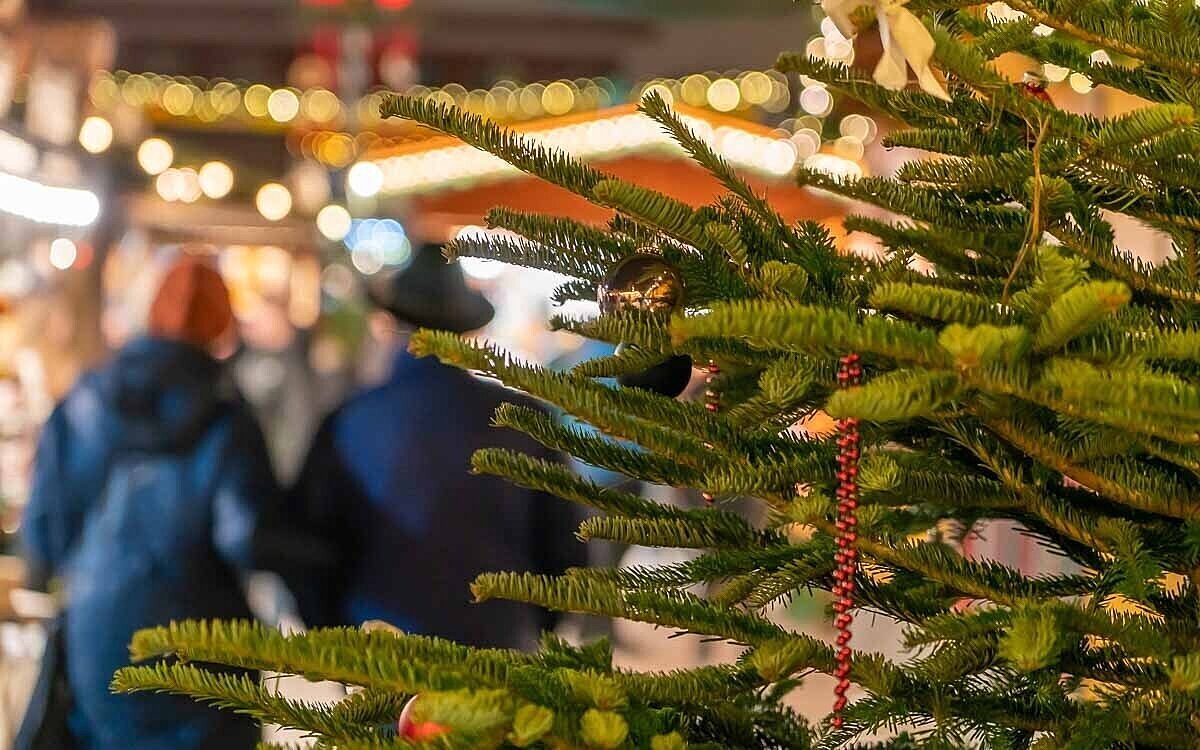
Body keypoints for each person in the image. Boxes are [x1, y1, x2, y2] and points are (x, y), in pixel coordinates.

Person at [20, 256, 275, 750]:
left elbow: (45, 535)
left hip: (96, 645)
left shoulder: (84, 402)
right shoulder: (226, 416)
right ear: (221, 325)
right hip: (203, 650)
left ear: (148, 312)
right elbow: (248, 535)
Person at [286, 244, 586, 650]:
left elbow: (306, 548)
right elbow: (567, 548)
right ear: (466, 333)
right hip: (502, 649)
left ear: (389, 325)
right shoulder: (524, 420)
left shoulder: (349, 422)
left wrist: (335, 634)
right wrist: (531, 626)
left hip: (381, 653)